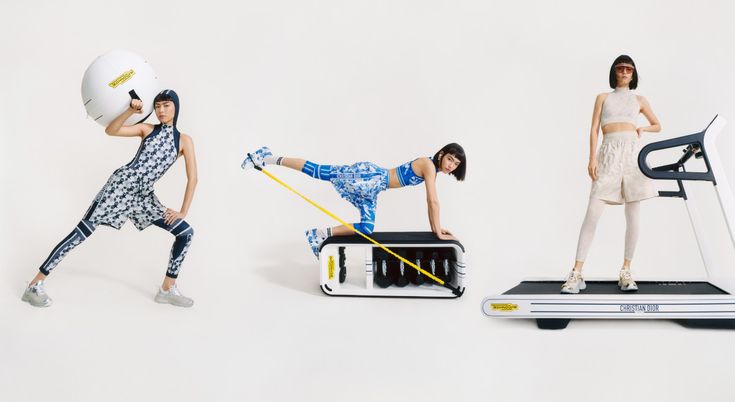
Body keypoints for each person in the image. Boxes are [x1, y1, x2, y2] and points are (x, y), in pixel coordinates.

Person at [22, 90, 198, 307]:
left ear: (176, 108)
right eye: (158, 106)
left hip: (144, 197)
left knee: (185, 233)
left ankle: (167, 289)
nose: (161, 110)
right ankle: (34, 286)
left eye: (166, 106)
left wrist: (182, 212)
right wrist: (130, 111)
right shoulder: (147, 129)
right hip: (120, 187)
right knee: (81, 232)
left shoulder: (184, 141)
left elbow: (193, 178)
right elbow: (111, 130)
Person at [241, 143, 466, 256]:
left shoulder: (433, 170)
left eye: (455, 164)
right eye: (449, 159)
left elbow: (431, 203)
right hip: (369, 177)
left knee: (367, 228)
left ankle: (319, 235)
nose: (451, 165)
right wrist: (437, 231)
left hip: (373, 189)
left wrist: (436, 230)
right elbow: (432, 202)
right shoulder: (428, 165)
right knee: (319, 171)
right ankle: (267, 156)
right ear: (440, 155)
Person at [561, 55, 660, 294]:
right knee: (593, 212)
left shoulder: (639, 99)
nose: (625, 72)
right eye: (621, 68)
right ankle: (576, 272)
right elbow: (594, 129)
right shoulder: (602, 98)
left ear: (633, 73)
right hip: (608, 153)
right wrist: (592, 157)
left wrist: (642, 128)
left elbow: (657, 124)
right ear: (614, 72)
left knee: (633, 213)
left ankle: (626, 270)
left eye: (629, 69)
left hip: (632, 155)